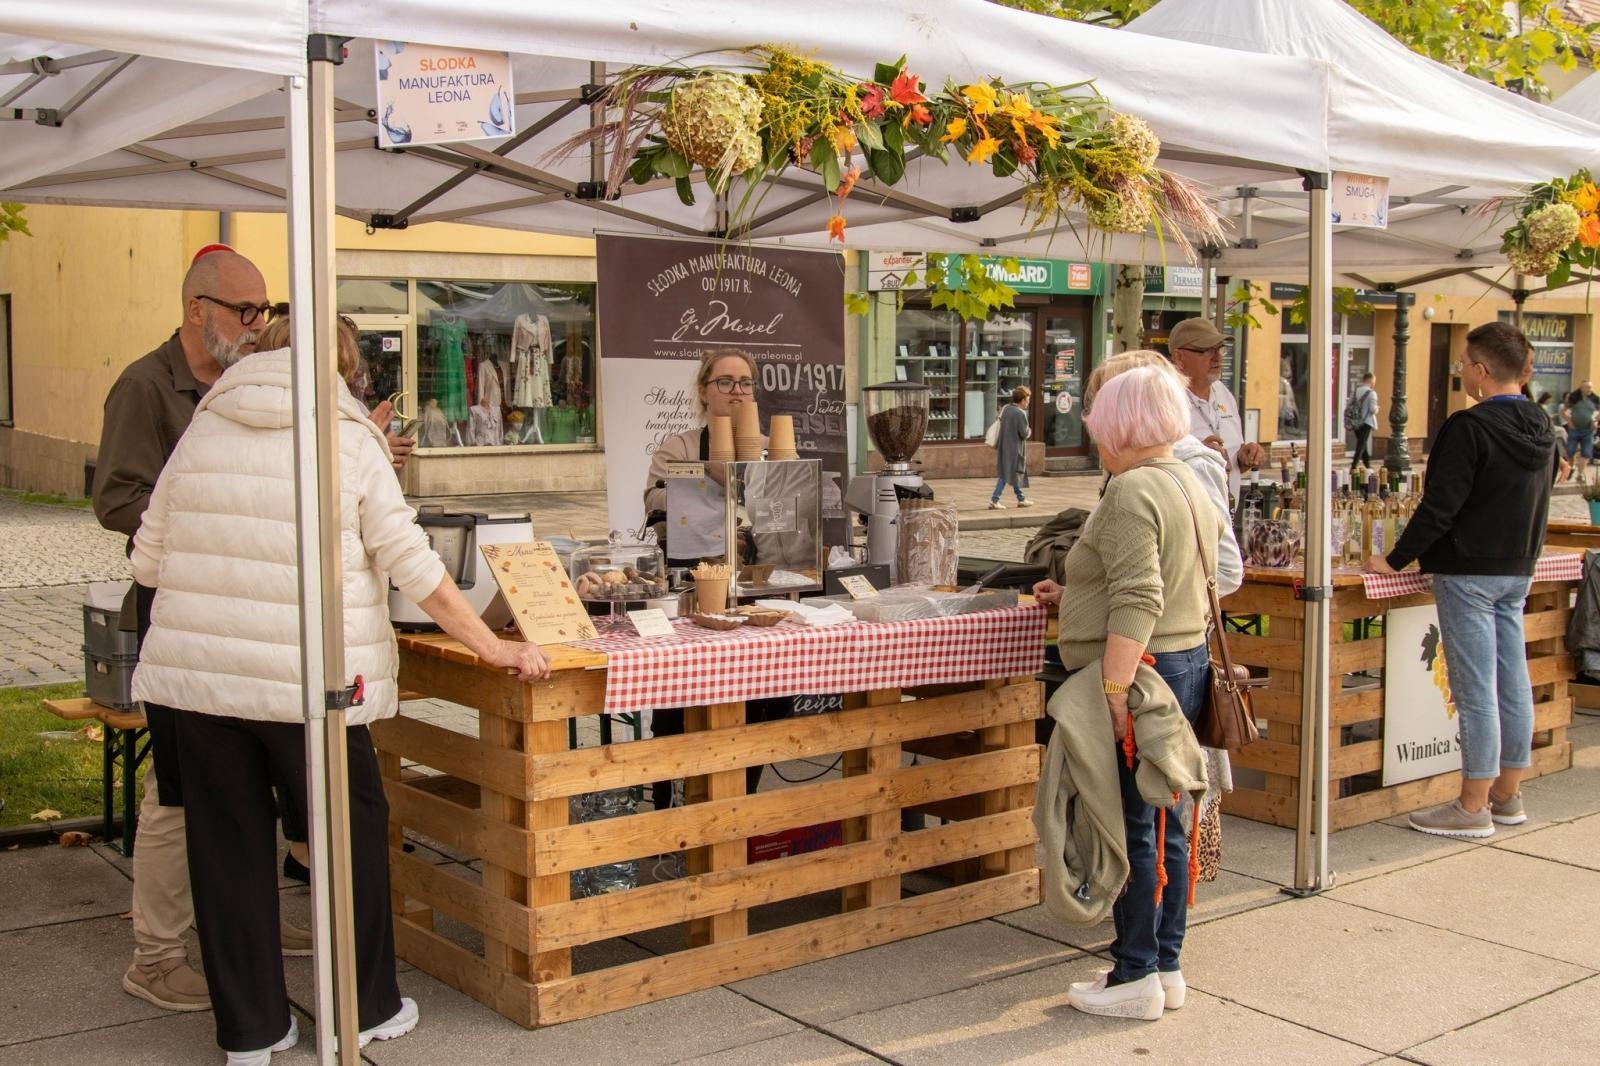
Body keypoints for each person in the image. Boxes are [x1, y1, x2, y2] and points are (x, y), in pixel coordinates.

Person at [128, 317, 551, 1065]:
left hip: (201, 684)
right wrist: (491, 646)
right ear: (346, 369)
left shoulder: (203, 427)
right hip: (312, 685)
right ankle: (364, 1011)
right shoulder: (348, 438)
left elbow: (147, 561)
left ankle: (251, 1035)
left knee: (225, 854)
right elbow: (410, 561)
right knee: (348, 842)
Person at [92, 246, 272, 1013]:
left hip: (247, 618)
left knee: (254, 776)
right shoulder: (145, 385)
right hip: (175, 619)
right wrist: (206, 520)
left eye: (264, 311)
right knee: (175, 790)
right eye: (245, 310)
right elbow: (116, 500)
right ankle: (157, 955)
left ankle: (251, 922)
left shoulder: (245, 382)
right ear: (198, 309)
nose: (257, 325)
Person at [1031, 365, 1217, 1021]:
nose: (1094, 437)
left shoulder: (1134, 489)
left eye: (1099, 424)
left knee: (1132, 824)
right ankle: (1164, 965)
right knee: (1165, 821)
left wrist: (1114, 688)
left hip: (1142, 671)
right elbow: (1156, 579)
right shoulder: (1184, 480)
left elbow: (1140, 597)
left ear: (1119, 426)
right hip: (1180, 661)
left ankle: (1134, 972)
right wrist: (1075, 594)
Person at [1367, 322, 1558, 839]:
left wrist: (1396, 558)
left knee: (1476, 693)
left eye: (1462, 365)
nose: (1461, 373)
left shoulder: (1469, 426)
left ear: (1480, 370)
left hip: (1469, 570)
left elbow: (1440, 505)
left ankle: (1473, 806)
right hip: (1517, 567)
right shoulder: (1543, 425)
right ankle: (1507, 795)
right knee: (1511, 684)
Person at [642, 349, 789, 810]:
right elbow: (656, 507)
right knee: (681, 702)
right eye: (725, 382)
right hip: (696, 598)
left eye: (745, 383)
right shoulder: (680, 447)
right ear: (704, 391)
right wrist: (708, 476)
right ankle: (671, 805)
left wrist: (759, 477)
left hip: (757, 596)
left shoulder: (770, 448)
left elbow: (787, 516)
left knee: (763, 703)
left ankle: (737, 802)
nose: (736, 392)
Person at [1166, 318, 1264, 502]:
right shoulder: (1164, 398)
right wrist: (1197, 453)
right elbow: (1150, 461)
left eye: (1219, 349)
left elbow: (1232, 460)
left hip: (1226, 510)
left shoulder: (1223, 393)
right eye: (1206, 350)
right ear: (1179, 357)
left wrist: (1243, 457)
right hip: (1186, 510)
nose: (1217, 357)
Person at [989, 385, 1033, 509]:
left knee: (1012, 472)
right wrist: (1029, 431)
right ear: (1022, 400)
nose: (1028, 402)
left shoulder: (1007, 408)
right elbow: (1024, 433)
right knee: (1006, 474)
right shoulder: (1020, 413)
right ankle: (994, 500)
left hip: (1004, 445)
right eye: (1027, 400)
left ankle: (1021, 498)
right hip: (1015, 448)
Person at [1563, 386, 1596, 480]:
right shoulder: (1573, 401)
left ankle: (1580, 474)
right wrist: (1569, 421)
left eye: (1589, 388)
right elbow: (1563, 412)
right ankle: (1571, 468)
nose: (1588, 390)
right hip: (1574, 429)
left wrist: (1594, 421)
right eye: (1586, 388)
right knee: (1570, 452)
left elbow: (1596, 413)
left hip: (1588, 430)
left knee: (1585, 453)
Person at [1349, 372, 1379, 473]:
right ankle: (1354, 466)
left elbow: (1349, 404)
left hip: (1355, 421)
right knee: (1361, 444)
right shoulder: (1372, 393)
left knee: (1362, 443)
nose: (1374, 383)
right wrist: (1377, 408)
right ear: (1371, 381)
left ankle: (1367, 465)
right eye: (1374, 381)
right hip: (1366, 422)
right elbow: (1372, 409)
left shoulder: (1356, 391)